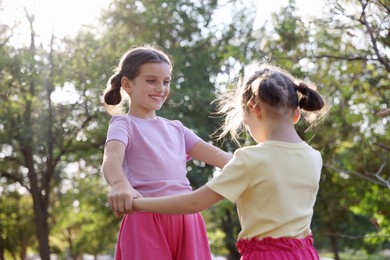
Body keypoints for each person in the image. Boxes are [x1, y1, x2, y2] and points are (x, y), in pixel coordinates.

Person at [131, 63, 326, 259]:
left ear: (254, 110)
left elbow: (194, 203)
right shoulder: (314, 157)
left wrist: (137, 204)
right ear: (296, 114)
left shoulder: (250, 159)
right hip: (306, 254)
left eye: (245, 121)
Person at [101, 44, 232, 260]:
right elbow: (111, 159)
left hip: (186, 217)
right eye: (151, 81)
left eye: (166, 81)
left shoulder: (177, 129)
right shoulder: (123, 124)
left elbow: (224, 159)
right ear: (127, 84)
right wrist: (120, 185)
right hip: (144, 216)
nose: (160, 88)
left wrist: (259, 163)